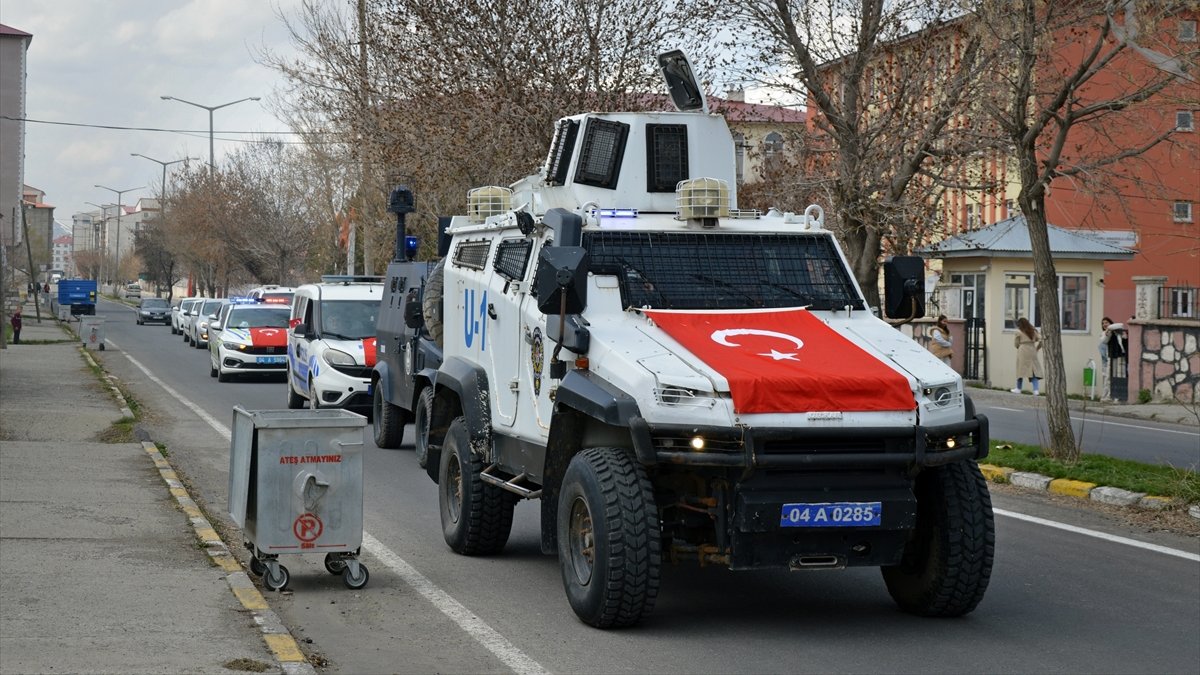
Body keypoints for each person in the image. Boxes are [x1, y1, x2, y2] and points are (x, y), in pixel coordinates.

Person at [1011, 317, 1042, 395]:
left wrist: (1019, 347)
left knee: (1020, 369)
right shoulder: (1033, 331)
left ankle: (1018, 388)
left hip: (1022, 350)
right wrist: (1037, 348)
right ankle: (1036, 390)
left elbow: (1016, 344)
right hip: (1032, 350)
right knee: (1033, 370)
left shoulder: (1018, 332)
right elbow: (1041, 340)